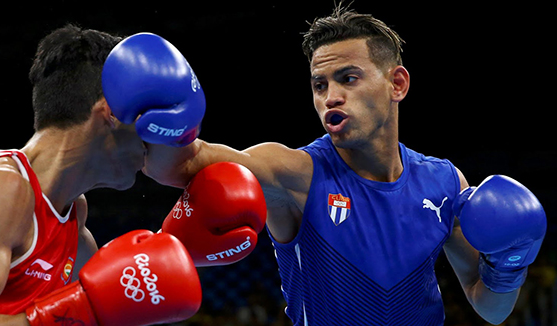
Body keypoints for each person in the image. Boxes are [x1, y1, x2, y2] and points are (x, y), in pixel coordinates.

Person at [102, 5, 546, 326]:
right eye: (319, 84)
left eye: (348, 78)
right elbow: (181, 165)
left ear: (397, 83)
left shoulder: (445, 182)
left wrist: (510, 265)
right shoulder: (294, 173)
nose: (330, 96)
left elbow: (489, 308)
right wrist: (166, 115)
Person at [0, 24, 266, 326]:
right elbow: (83, 309)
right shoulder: (0, 187)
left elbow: (111, 299)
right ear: (112, 112)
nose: (152, 145)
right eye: (146, 126)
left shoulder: (73, 215)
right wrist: (85, 307)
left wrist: (175, 251)